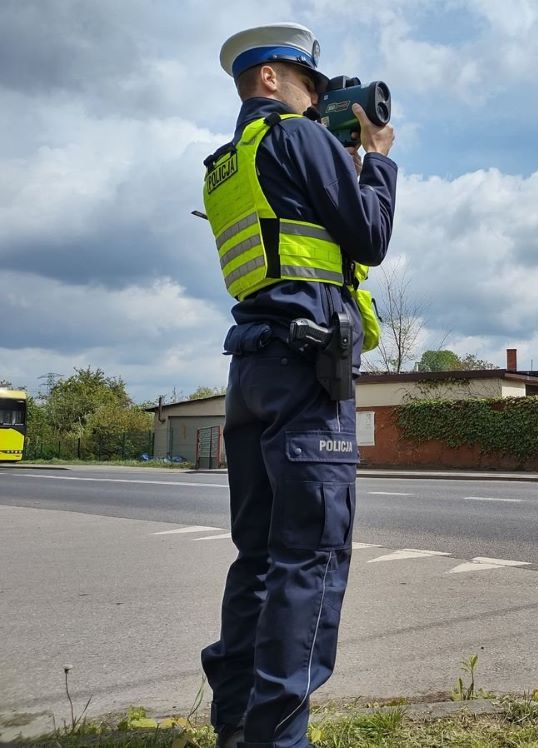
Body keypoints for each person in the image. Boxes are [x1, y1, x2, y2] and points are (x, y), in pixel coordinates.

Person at [199, 22, 396, 748]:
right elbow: (369, 237)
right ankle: (278, 740)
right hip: (307, 370)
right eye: (314, 87)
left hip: (251, 370)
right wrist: (373, 160)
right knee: (309, 557)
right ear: (273, 80)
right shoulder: (298, 137)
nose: (322, 103)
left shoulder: (225, 162)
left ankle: (236, 723)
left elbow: (293, 231)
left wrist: (333, 158)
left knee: (258, 558)